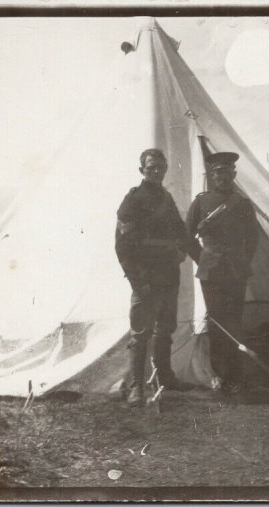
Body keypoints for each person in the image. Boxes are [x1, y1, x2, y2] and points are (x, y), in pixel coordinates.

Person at [115, 148, 199, 407]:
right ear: (142, 170)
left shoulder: (166, 197)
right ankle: (137, 387)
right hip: (145, 277)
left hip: (168, 275)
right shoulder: (133, 200)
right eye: (151, 167)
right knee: (141, 333)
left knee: (166, 328)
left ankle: (165, 377)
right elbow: (122, 246)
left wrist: (198, 257)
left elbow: (181, 233)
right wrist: (138, 280)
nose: (157, 171)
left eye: (160, 167)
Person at [186, 152, 259, 394]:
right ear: (211, 175)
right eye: (218, 172)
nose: (223, 177)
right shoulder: (201, 203)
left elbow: (252, 238)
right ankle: (219, 374)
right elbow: (187, 238)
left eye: (227, 172)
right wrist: (204, 259)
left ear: (234, 174)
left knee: (234, 322)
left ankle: (236, 374)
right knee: (217, 323)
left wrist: (242, 260)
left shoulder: (243, 204)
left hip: (236, 272)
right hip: (212, 273)